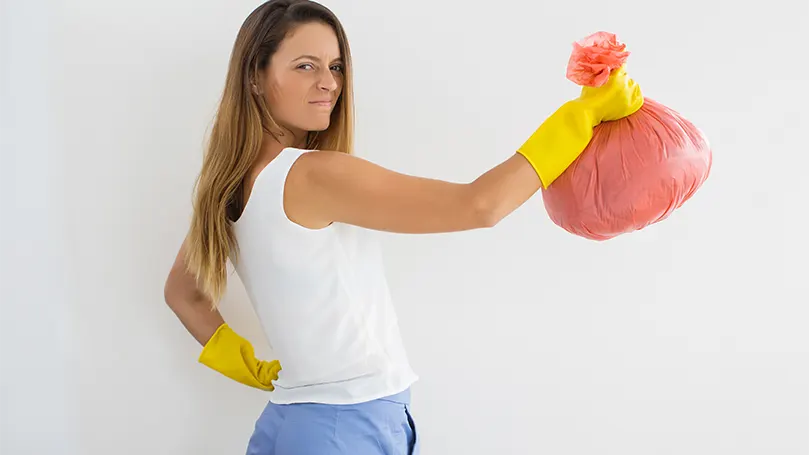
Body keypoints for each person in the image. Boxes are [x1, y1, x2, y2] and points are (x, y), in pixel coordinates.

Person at [162, 1, 643, 454]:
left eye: (335, 66)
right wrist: (581, 116)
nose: (328, 82)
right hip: (343, 426)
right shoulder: (312, 173)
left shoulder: (228, 187)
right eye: (305, 65)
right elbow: (479, 205)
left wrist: (248, 367)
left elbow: (183, 293)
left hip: (289, 422)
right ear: (254, 77)